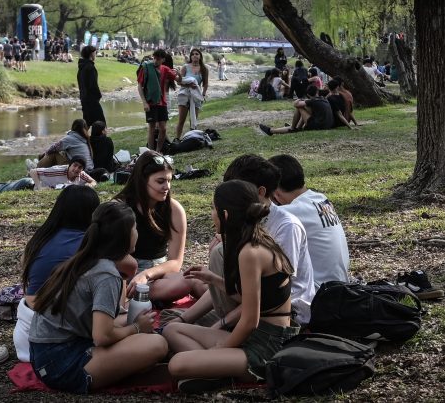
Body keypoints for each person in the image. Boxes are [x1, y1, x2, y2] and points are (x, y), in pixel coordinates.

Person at [164, 180, 299, 394]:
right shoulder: (256, 240)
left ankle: (214, 370)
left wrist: (220, 349)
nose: (212, 214)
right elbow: (257, 299)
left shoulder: (250, 252)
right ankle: (213, 369)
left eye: (213, 209)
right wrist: (215, 280)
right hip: (256, 336)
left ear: (225, 215)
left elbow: (250, 320)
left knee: (177, 364)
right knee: (172, 329)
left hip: (267, 346)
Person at [29, 201, 167, 393]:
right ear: (124, 236)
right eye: (135, 228)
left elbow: (105, 324)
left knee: (132, 325)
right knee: (157, 344)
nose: (138, 233)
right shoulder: (106, 274)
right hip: (60, 363)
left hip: (47, 353)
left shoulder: (87, 257)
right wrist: (136, 328)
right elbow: (102, 337)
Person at [165, 154, 314, 329]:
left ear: (260, 192)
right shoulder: (244, 225)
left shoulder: (286, 227)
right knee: (173, 319)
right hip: (246, 307)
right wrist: (185, 319)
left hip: (281, 317)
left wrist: (219, 327)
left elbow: (272, 296)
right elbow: (231, 287)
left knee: (219, 253)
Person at [13, 185, 102, 362]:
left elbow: (29, 273)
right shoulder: (88, 244)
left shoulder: (39, 238)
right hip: (54, 337)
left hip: (23, 330)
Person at [114, 151, 204, 303]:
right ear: (142, 180)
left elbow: (175, 262)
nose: (166, 187)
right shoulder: (120, 208)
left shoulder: (174, 210)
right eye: (160, 181)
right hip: (126, 275)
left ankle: (230, 306)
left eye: (169, 181)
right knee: (185, 283)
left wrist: (147, 274)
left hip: (160, 272)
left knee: (194, 279)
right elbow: (112, 256)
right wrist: (136, 275)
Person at [268, 154, 350, 285]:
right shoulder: (320, 198)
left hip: (320, 292)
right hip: (340, 284)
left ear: (276, 192)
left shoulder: (290, 212)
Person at [137, 49, 178, 152]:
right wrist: (144, 102)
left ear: (163, 59)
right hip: (150, 102)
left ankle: (158, 151)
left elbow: (177, 79)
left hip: (162, 102)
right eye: (154, 58)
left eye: (158, 59)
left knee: (163, 128)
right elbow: (139, 86)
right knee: (151, 128)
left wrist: (179, 73)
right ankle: (151, 151)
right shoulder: (146, 67)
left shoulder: (165, 69)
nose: (155, 61)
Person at [259, 85, 336, 135]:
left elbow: (296, 104)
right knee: (305, 108)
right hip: (327, 125)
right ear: (317, 92)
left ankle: (290, 128)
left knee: (300, 107)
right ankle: (296, 128)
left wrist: (299, 99)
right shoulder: (323, 99)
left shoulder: (313, 101)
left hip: (320, 126)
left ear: (308, 95)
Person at [175, 48, 208, 140]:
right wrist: (189, 84)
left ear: (200, 56)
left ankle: (192, 139)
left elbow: (205, 84)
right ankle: (177, 139)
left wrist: (203, 95)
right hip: (184, 94)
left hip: (196, 96)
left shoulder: (204, 69)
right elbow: (179, 81)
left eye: (197, 54)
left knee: (193, 119)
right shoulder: (185, 67)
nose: (195, 55)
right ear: (190, 56)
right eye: (193, 54)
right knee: (181, 120)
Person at [77, 45, 106, 127]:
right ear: (91, 54)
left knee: (87, 123)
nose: (95, 54)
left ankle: (87, 139)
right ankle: (98, 139)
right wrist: (98, 96)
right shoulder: (90, 67)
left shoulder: (81, 67)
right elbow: (93, 85)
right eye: (95, 53)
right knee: (101, 124)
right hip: (91, 100)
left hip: (84, 99)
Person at [30, 156, 97, 190]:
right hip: (32, 184)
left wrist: (90, 185)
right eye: (75, 165)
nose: (76, 169)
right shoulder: (58, 171)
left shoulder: (81, 174)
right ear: (70, 165)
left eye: (80, 167)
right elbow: (33, 171)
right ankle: (32, 163)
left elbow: (93, 181)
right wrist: (40, 188)